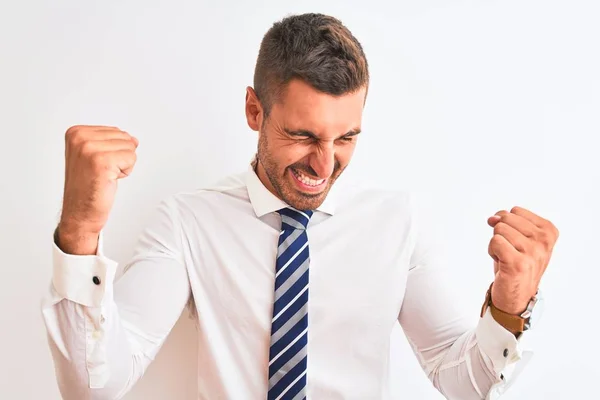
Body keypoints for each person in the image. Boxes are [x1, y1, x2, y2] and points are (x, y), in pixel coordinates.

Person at [41, 12, 558, 400]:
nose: (325, 165)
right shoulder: (187, 222)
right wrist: (80, 234)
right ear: (254, 110)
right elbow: (94, 387)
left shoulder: (396, 222)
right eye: (303, 135)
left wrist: (509, 310)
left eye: (347, 137)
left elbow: (462, 381)